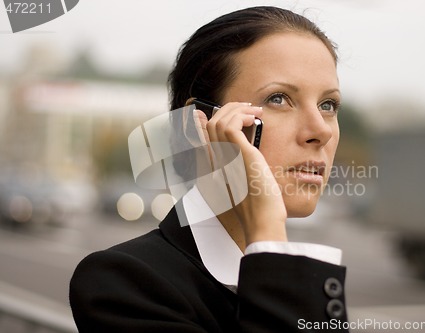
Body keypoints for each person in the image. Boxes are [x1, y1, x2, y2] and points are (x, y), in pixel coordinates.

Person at [70, 6, 349, 333]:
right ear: (196, 126)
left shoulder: (311, 276)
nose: (322, 131)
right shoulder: (121, 284)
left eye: (327, 105)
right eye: (278, 98)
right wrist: (268, 234)